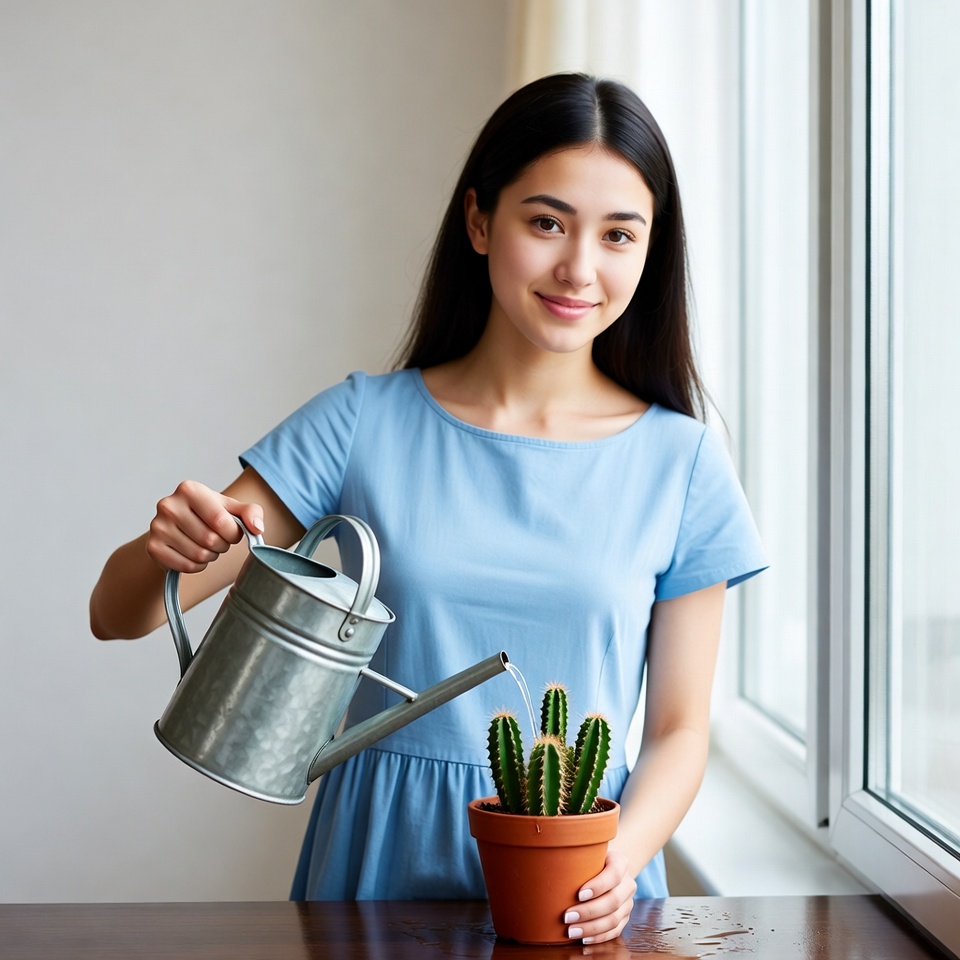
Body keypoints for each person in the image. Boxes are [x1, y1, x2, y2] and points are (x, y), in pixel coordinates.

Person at [90, 73, 765, 945]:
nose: (579, 268)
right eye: (547, 222)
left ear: (650, 249)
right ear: (481, 222)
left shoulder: (684, 461)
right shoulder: (362, 421)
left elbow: (678, 729)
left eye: (618, 235)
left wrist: (618, 859)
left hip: (577, 877)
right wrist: (167, 550)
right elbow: (121, 616)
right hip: (376, 859)